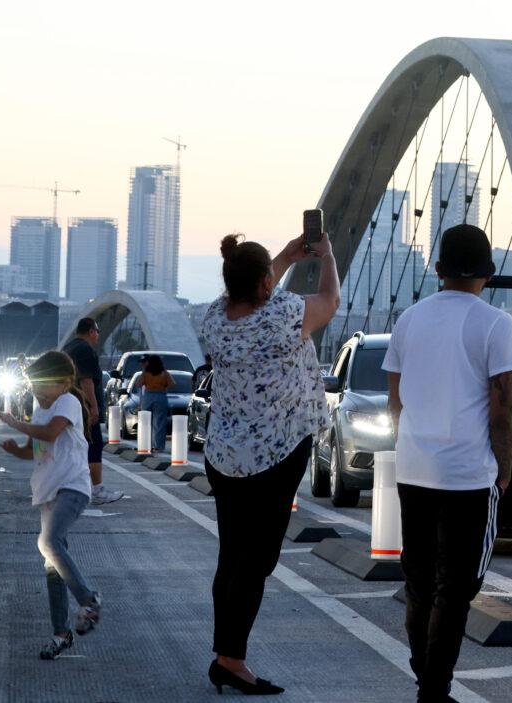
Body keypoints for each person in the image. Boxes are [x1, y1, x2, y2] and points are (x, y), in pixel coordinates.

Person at [383, 224, 512, 703]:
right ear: (488, 272)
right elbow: (503, 405)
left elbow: (395, 400)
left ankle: (426, 676)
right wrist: (504, 468)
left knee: (420, 581)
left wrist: (412, 445)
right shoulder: (496, 324)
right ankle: (435, 688)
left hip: (413, 469)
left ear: (438, 270)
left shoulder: (408, 320)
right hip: (468, 474)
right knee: (457, 587)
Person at [200, 231, 339, 695]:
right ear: (265, 282)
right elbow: (330, 300)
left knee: (232, 556)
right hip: (276, 456)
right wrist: (326, 257)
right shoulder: (284, 315)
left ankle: (226, 654)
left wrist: (281, 257)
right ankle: (231, 659)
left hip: (223, 457)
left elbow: (251, 290)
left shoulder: (215, 319)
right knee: (257, 560)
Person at [0, 351, 103, 660]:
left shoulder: (66, 402)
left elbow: (50, 432)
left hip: (72, 487)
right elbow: (38, 448)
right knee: (52, 564)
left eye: (44, 385)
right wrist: (17, 451)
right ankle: (61, 633)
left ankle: (89, 600)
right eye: (32, 385)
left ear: (65, 383)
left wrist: (15, 423)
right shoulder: (39, 409)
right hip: (48, 492)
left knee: (49, 542)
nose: (37, 392)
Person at [63, 318, 123, 505]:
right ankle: (98, 490)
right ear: (90, 331)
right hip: (83, 408)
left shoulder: (69, 348)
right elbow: (86, 380)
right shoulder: (85, 350)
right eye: (97, 331)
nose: (98, 335)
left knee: (74, 448)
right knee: (94, 446)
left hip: (68, 405)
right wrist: (94, 406)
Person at [140, 355, 174, 453]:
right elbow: (172, 384)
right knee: (159, 422)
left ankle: (145, 444)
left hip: (148, 396)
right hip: (161, 395)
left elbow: (138, 384)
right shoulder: (164, 373)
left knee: (145, 421)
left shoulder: (146, 373)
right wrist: (164, 385)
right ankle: (158, 446)